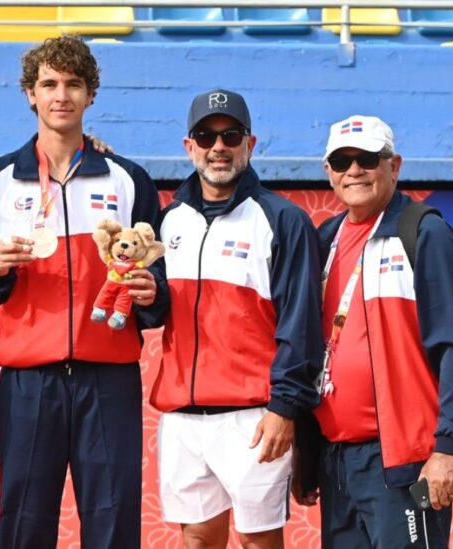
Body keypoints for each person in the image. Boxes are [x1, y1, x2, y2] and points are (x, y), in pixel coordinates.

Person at [0, 35, 166, 548]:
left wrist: (148, 294)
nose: (61, 95)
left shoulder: (129, 179)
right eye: (49, 84)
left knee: (114, 522)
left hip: (110, 379)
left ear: (90, 95)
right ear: (30, 94)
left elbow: (161, 285)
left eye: (73, 84)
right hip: (28, 382)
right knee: (24, 523)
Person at [293, 115, 453, 548]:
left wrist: (450, 448)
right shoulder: (324, 239)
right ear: (328, 172)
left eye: (367, 159)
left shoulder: (424, 233)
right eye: (342, 161)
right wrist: (307, 453)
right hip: (336, 459)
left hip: (402, 462)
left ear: (393, 165)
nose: (354, 170)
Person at [149, 89, 323, 548]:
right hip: (183, 418)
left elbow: (302, 325)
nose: (218, 147)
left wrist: (285, 408)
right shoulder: (168, 222)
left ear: (251, 143)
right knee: (197, 541)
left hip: (253, 417)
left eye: (230, 135)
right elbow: (152, 310)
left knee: (256, 543)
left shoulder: (282, 220)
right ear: (189, 147)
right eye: (206, 136)